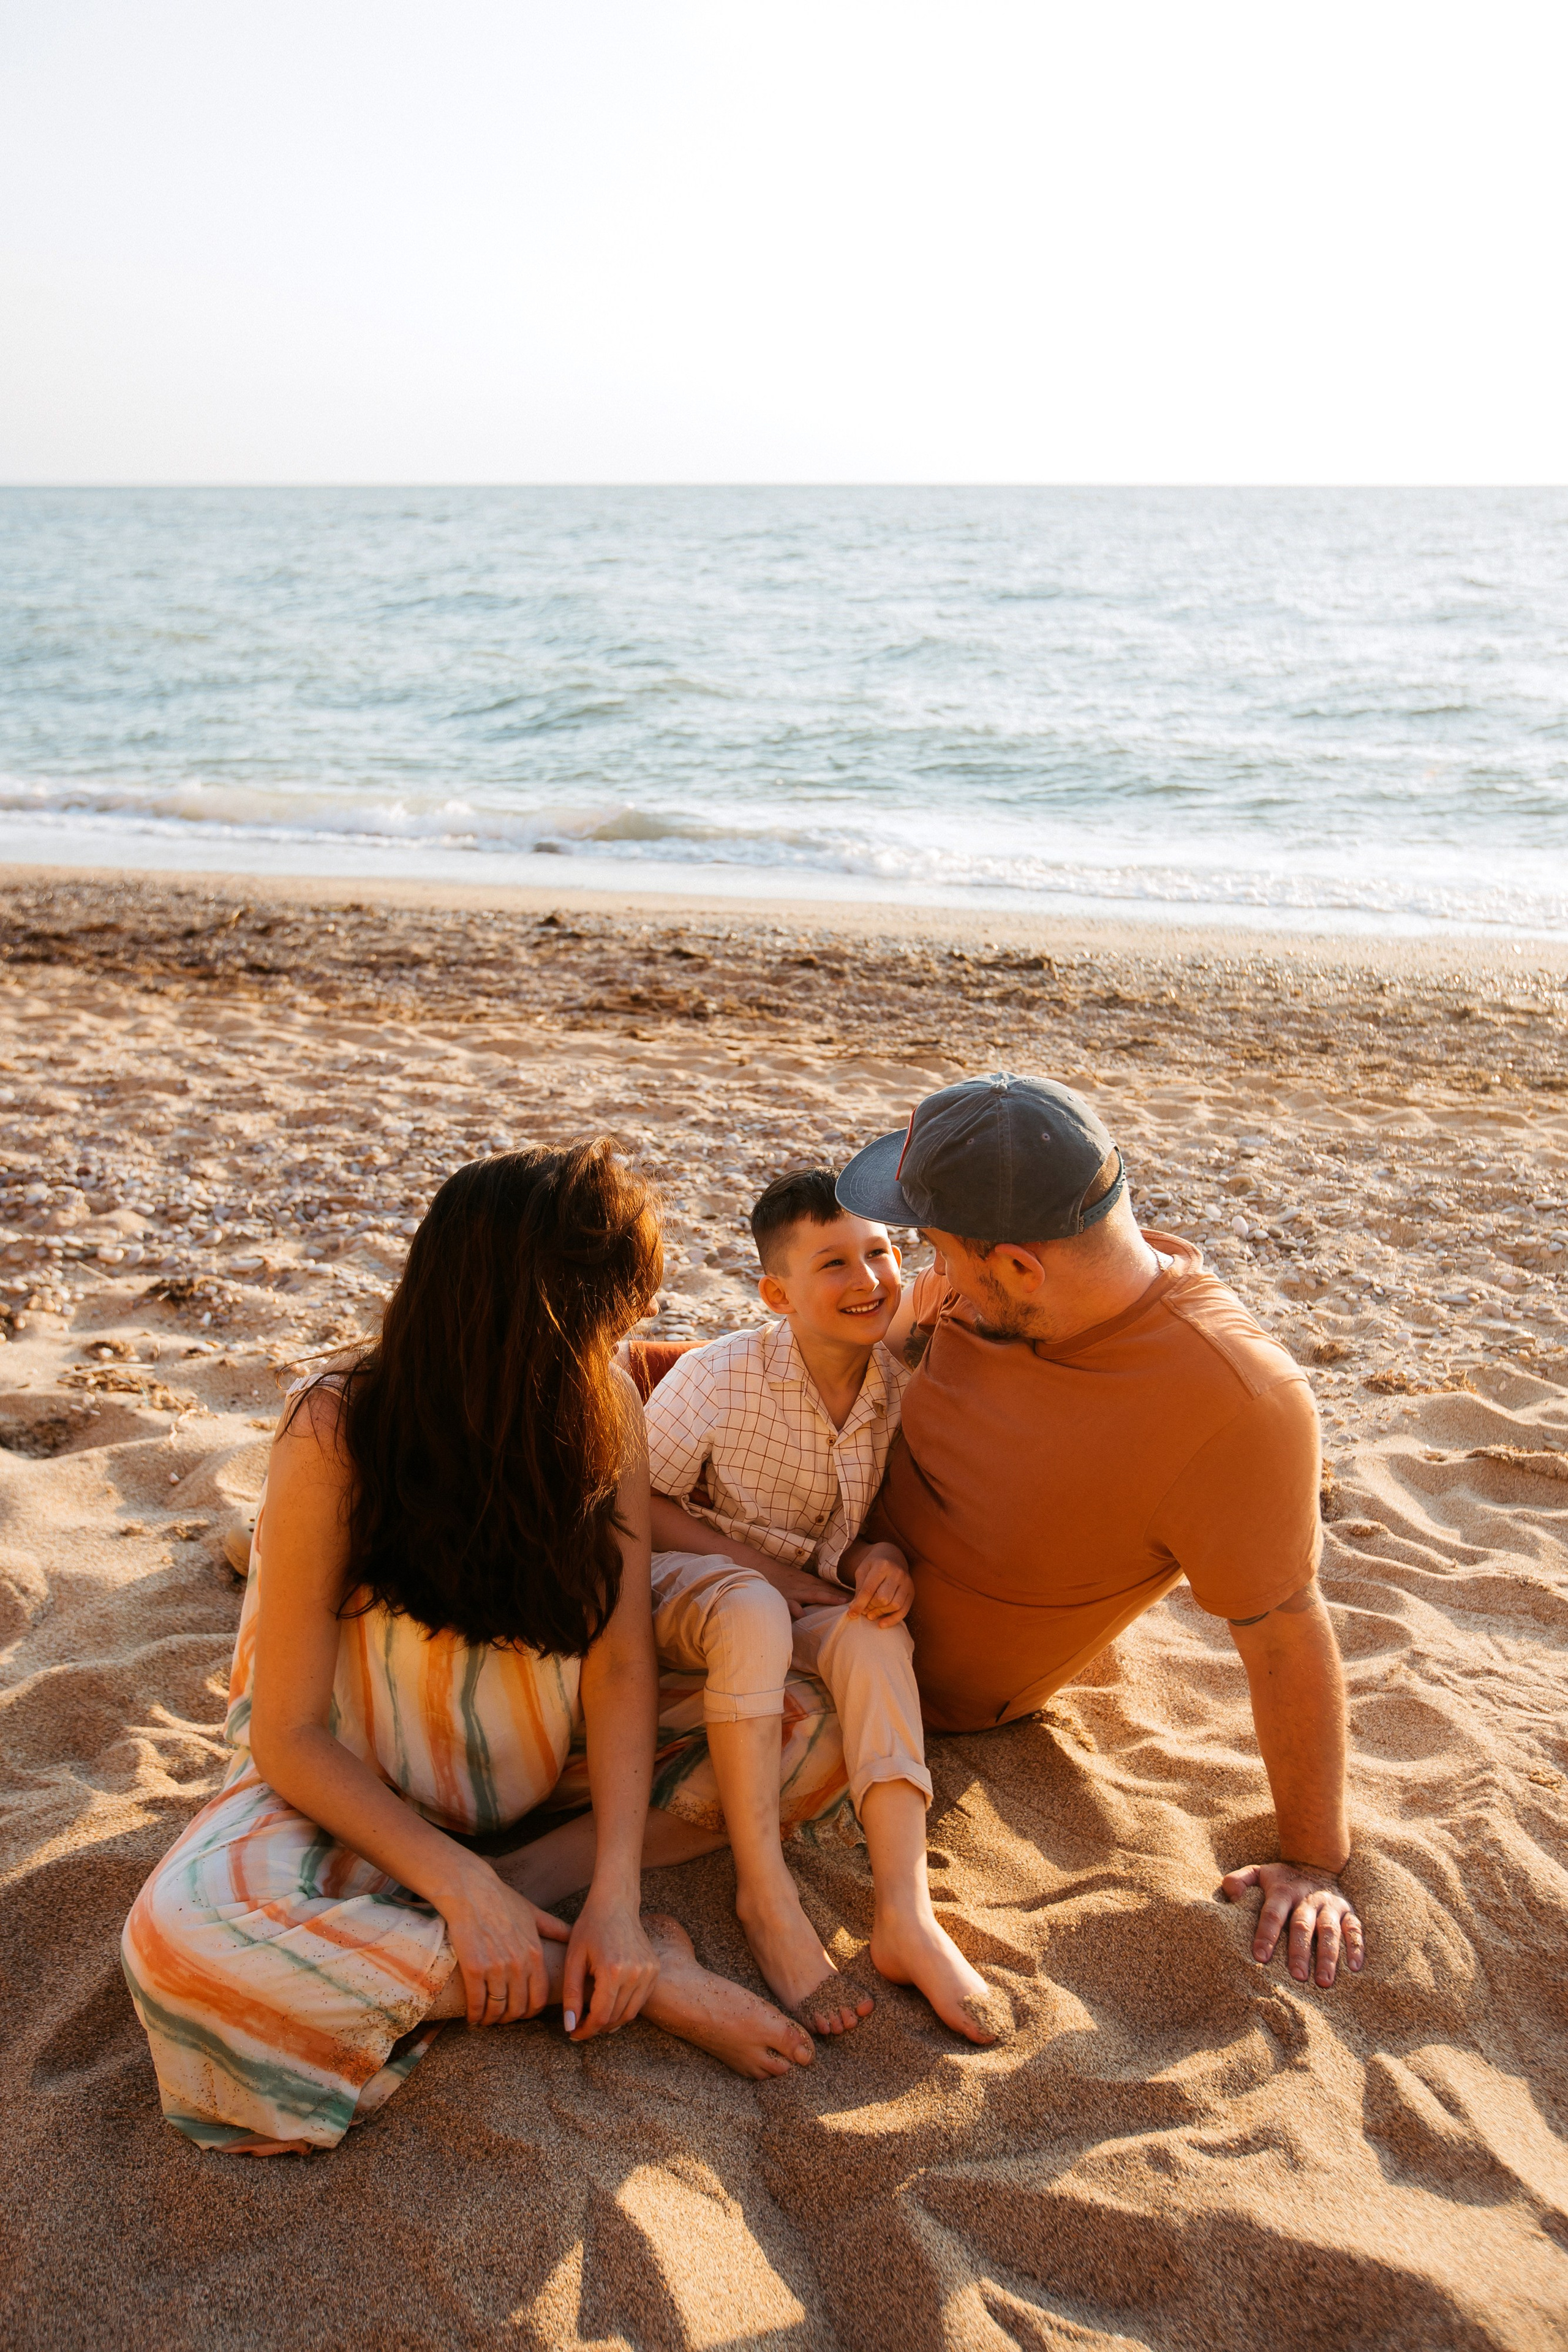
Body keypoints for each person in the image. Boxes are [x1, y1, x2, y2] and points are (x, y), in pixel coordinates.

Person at [121, 1144, 817, 2157]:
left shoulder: (604, 1406)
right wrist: (458, 1887)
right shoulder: (337, 1428)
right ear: (537, 1309)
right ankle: (597, 1977)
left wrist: (618, 1897)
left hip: (542, 1778)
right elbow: (289, 1735)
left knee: (800, 1725)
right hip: (351, 1795)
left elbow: (622, 1662)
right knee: (178, 1946)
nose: (633, 1332)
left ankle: (541, 1892)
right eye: (618, 1310)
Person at [838, 1072, 1365, 1993]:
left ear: (1019, 1266)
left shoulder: (1234, 1404)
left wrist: (1314, 1861)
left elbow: (1283, 1631)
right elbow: (903, 1353)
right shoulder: (997, 1290)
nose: (929, 1274)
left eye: (938, 1249)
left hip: (877, 1656)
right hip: (816, 1505)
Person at [637, 1170, 995, 2043]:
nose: (868, 1280)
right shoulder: (718, 1378)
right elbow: (634, 1504)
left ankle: (906, 1914)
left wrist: (879, 1561)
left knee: (878, 1640)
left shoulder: (900, 1385)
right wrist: (775, 1575)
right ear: (777, 1293)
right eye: (833, 1263)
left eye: (879, 1253)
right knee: (757, 1604)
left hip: (802, 1594)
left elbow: (865, 1524)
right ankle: (766, 1898)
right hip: (684, 1588)